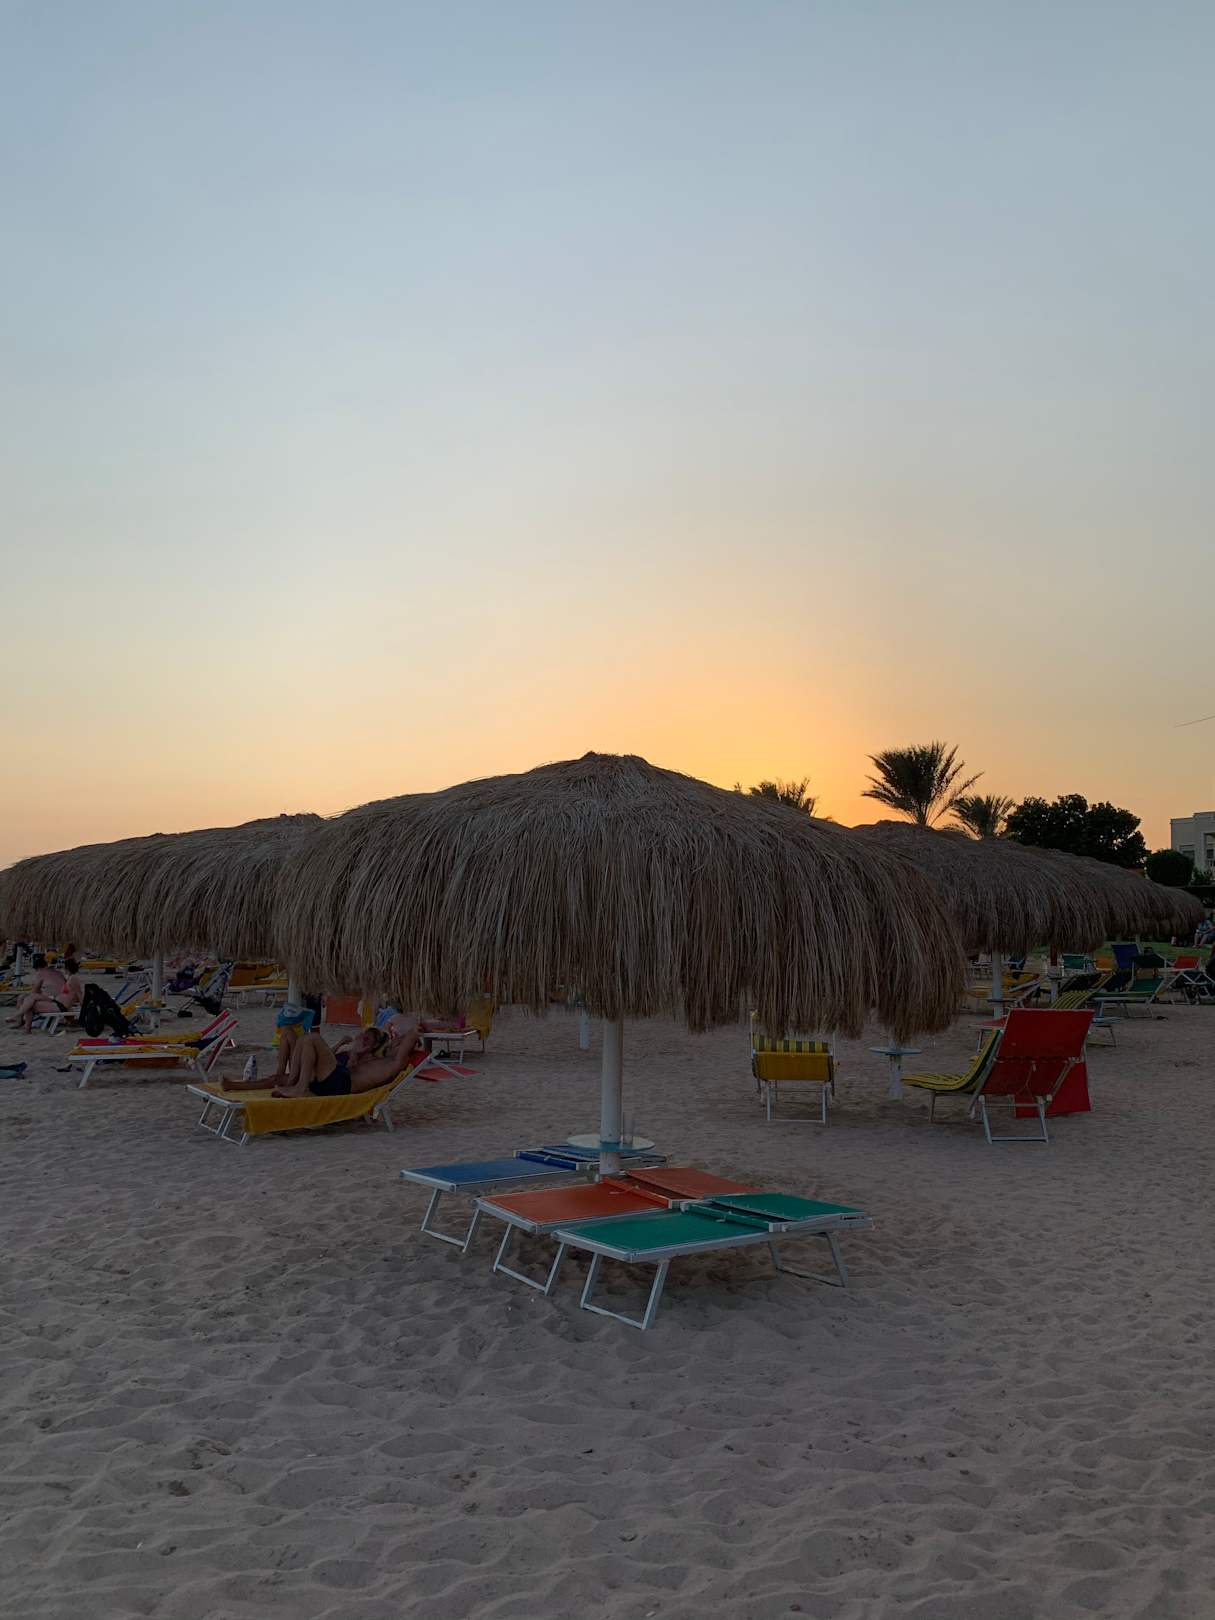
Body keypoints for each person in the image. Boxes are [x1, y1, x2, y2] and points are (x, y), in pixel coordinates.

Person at [224, 1014, 424, 1098]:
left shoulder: (392, 1063)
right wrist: (353, 1052)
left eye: (399, 1041)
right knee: (299, 1037)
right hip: (330, 1078)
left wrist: (415, 1031)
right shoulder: (374, 1059)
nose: (397, 1040)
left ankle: (298, 1086)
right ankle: (292, 1081)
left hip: (339, 1084)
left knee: (312, 1038)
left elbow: (412, 1034)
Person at [8, 955, 81, 1034]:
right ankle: (21, 1021)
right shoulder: (61, 974)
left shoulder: (73, 979)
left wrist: (84, 1009)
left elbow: (35, 990)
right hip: (56, 1000)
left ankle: (20, 1020)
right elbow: (70, 994)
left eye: (64, 967)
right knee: (31, 998)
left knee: (28, 999)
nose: (63, 969)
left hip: (58, 1004)